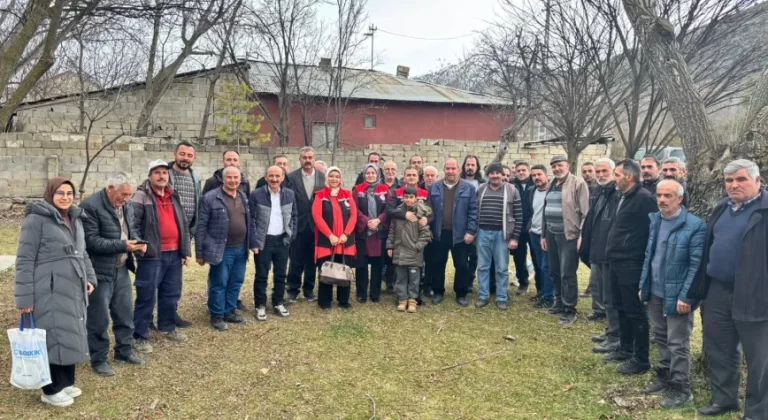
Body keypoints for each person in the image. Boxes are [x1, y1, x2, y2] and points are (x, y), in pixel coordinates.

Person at [688, 159, 768, 419]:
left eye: (741, 179)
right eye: (729, 180)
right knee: (720, 349)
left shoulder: (765, 211)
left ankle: (757, 412)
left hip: (756, 295)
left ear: (758, 181)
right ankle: (725, 400)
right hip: (718, 292)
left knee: (759, 359)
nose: (734, 185)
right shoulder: (721, 208)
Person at [15, 177, 97, 407]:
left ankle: (66, 382)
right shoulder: (36, 220)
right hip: (48, 289)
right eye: (60, 193)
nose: (65, 197)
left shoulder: (75, 217)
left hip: (73, 287)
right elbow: (24, 259)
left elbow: (83, 253)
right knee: (51, 336)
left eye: (69, 193)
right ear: (50, 194)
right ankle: (50, 390)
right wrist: (25, 298)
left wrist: (90, 278)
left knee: (69, 332)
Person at [638, 180, 705, 409]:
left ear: (680, 198)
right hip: (656, 292)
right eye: (659, 195)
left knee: (678, 342)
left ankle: (680, 387)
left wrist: (687, 296)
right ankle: (664, 374)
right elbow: (650, 255)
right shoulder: (655, 220)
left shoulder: (695, 226)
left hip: (678, 296)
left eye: (668, 196)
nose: (662, 200)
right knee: (660, 336)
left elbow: (696, 266)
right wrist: (644, 285)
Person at [81, 172, 146, 377]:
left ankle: (124, 351)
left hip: (121, 268)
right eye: (123, 194)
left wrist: (137, 244)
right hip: (99, 271)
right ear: (110, 188)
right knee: (98, 319)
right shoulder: (90, 206)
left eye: (129, 195)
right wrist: (123, 245)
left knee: (125, 313)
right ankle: (99, 358)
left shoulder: (127, 206)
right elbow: (91, 241)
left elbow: (130, 230)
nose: (126, 199)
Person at [602, 159, 658, 374]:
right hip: (616, 260)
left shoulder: (644, 199)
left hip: (631, 263)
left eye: (617, 174)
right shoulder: (623, 197)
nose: (613, 178)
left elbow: (650, 232)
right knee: (620, 306)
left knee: (635, 311)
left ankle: (641, 359)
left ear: (629, 176)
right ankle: (625, 349)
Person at [131, 160, 193, 347]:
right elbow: (132, 224)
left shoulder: (174, 195)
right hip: (152, 255)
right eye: (157, 172)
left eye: (164, 173)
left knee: (171, 293)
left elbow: (182, 224)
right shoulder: (141, 196)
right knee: (147, 294)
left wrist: (185, 251)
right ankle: (140, 335)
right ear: (150, 175)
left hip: (174, 254)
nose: (161, 176)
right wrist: (141, 247)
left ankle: (167, 326)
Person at [196, 166, 255, 331]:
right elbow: (202, 226)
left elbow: (250, 222)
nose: (233, 181)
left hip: (240, 249)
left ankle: (229, 311)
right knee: (219, 282)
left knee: (236, 281)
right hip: (221, 249)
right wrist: (200, 253)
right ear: (223, 179)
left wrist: (253, 243)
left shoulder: (243, 196)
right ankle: (216, 314)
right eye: (229, 177)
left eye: (236, 177)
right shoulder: (210, 198)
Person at [578, 159, 622, 354]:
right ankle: (611, 331)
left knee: (612, 298)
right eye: (598, 171)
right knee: (605, 296)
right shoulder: (600, 192)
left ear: (613, 172)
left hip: (610, 254)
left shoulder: (618, 194)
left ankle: (616, 336)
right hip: (598, 251)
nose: (601, 174)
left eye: (605, 171)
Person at [542, 155, 590, 326]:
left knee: (567, 272)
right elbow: (545, 211)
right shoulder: (552, 184)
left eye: (559, 165)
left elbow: (586, 213)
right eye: (553, 166)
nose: (557, 169)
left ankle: (570, 309)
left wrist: (582, 235)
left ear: (567, 165)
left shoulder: (578, 183)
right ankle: (559, 302)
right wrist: (543, 235)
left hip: (569, 235)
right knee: (554, 270)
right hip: (551, 233)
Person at [428, 158, 478, 307]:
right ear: (444, 170)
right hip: (439, 232)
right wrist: (429, 229)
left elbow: (474, 211)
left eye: (453, 168)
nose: (450, 171)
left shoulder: (468, 188)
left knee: (462, 265)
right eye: (447, 168)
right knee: (438, 263)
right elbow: (428, 210)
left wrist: (471, 231)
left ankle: (461, 293)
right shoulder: (435, 187)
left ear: (459, 170)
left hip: (460, 234)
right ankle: (438, 291)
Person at [250, 166, 297, 321]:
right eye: (271, 176)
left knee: (281, 274)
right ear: (265, 177)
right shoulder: (256, 194)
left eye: (278, 176)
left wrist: (290, 235)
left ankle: (278, 302)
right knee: (262, 275)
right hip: (264, 241)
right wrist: (254, 241)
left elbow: (294, 216)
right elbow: (251, 219)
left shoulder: (289, 194)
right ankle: (260, 305)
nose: (274, 179)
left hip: (282, 240)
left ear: (283, 177)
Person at [475, 163, 522, 311]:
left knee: (502, 268)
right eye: (492, 173)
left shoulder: (512, 190)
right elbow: (474, 210)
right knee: (482, 267)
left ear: (502, 175)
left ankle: (502, 297)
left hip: (502, 235)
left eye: (498, 173)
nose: (495, 176)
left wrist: (514, 238)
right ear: (488, 175)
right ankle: (483, 296)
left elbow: (518, 215)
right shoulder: (481, 189)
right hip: (482, 232)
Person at [312, 166, 358, 310]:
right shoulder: (320, 195)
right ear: (327, 178)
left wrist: (346, 234)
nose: (334, 179)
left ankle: (343, 300)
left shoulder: (347, 194)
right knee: (327, 270)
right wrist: (330, 235)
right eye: (331, 176)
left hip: (345, 241)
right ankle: (324, 301)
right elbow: (317, 216)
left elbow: (353, 215)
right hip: (327, 240)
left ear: (341, 179)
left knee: (344, 269)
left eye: (337, 176)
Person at [166, 141, 200, 328]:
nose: (185, 158)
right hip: (166, 234)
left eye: (189, 155)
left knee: (175, 281)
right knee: (157, 280)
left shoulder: (196, 178)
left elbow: (198, 205)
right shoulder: (164, 173)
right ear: (175, 154)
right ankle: (151, 318)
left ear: (194, 158)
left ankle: (172, 314)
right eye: (182, 154)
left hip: (185, 235)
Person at [286, 147, 325, 303]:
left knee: (312, 261)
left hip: (316, 226)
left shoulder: (323, 178)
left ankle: (308, 290)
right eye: (304, 157)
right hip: (298, 224)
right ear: (300, 159)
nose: (307, 160)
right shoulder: (291, 177)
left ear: (314, 159)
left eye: (310, 157)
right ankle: (292, 290)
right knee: (295, 260)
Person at [388, 186, 432, 313]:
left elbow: (425, 234)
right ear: (403, 198)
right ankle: (402, 298)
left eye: (411, 197)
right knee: (401, 277)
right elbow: (392, 231)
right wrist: (390, 246)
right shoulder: (398, 213)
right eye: (406, 197)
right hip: (400, 251)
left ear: (416, 198)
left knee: (414, 278)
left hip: (414, 252)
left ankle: (413, 300)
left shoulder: (420, 212)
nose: (408, 200)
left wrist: (417, 246)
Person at [353, 164, 390, 303]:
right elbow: (354, 209)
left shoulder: (385, 189)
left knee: (377, 265)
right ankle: (361, 293)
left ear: (377, 174)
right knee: (361, 265)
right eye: (367, 173)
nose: (370, 175)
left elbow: (389, 208)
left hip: (379, 233)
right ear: (364, 174)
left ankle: (375, 294)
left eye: (373, 173)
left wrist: (379, 221)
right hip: (363, 233)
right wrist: (368, 221)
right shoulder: (357, 190)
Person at [527, 165, 554, 308]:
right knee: (539, 265)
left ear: (546, 175)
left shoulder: (553, 191)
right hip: (534, 233)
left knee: (546, 266)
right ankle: (543, 291)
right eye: (533, 175)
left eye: (539, 174)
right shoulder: (532, 191)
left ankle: (549, 297)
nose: (536, 177)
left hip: (547, 235)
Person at [511, 161, 536, 296]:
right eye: (518, 170)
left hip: (532, 227)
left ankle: (541, 287)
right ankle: (523, 282)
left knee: (537, 257)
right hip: (517, 228)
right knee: (519, 258)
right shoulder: (511, 185)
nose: (521, 173)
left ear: (529, 171)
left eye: (524, 170)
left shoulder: (536, 184)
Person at [461, 155, 485, 292]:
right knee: (463, 255)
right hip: (462, 225)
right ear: (464, 166)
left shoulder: (482, 184)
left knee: (475, 255)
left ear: (477, 167)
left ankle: (470, 280)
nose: (470, 167)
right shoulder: (460, 182)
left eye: (473, 165)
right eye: (468, 164)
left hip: (479, 224)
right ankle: (463, 280)